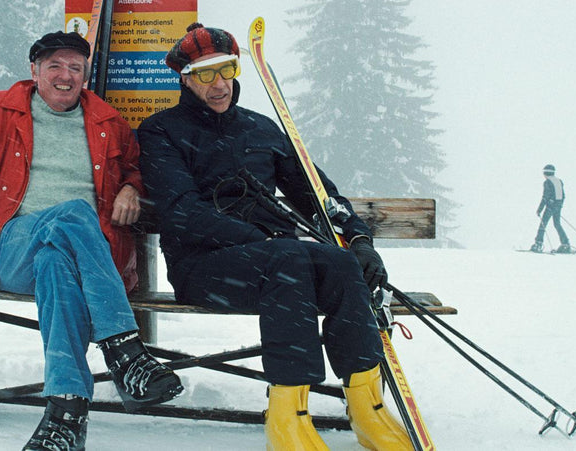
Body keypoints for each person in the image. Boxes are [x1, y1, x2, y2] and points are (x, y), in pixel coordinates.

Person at [136, 23, 414, 451]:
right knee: (287, 262)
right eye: (206, 74)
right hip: (203, 266)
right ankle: (287, 419)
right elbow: (181, 213)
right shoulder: (161, 131)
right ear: (185, 78)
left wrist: (359, 241)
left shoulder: (260, 129)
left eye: (226, 69)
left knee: (340, 265)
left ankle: (366, 406)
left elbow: (317, 194)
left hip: (276, 263)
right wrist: (260, 238)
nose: (220, 84)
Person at [0, 31, 182, 451]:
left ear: (85, 74)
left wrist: (131, 189)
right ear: (34, 71)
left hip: (83, 261)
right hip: (9, 249)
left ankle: (66, 417)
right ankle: (125, 351)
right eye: (54, 66)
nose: (65, 76)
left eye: (75, 67)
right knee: (73, 214)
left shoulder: (109, 122)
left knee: (56, 264)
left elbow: (137, 171)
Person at [532, 164, 573, 253]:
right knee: (557, 224)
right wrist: (559, 205)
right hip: (558, 205)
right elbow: (563, 195)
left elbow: (545, 197)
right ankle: (565, 244)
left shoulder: (547, 182)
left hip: (550, 206)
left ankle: (538, 244)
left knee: (543, 224)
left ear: (545, 173)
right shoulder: (559, 181)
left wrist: (539, 209)